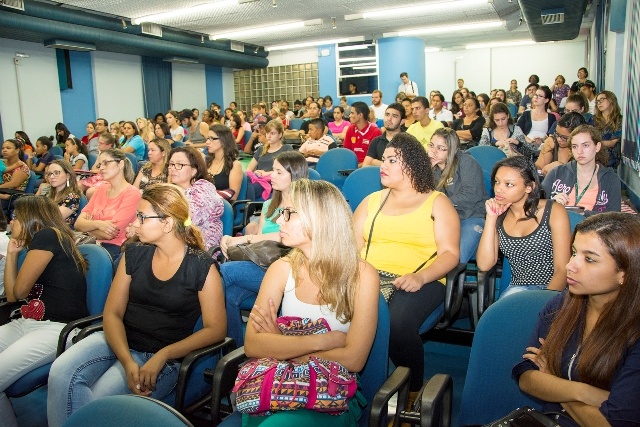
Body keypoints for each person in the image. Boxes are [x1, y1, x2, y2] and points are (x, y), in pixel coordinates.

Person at [47, 184, 227, 427]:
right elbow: (113, 313)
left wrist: (165, 354)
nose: (135, 223)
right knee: (61, 372)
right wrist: (126, 361)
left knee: (98, 402)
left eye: (142, 217)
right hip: (117, 340)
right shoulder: (134, 254)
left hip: (158, 355)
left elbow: (215, 329)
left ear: (167, 223)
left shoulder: (202, 266)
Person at [240, 179, 377, 426]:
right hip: (278, 384)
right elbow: (252, 344)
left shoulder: (363, 274)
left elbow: (354, 359)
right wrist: (322, 341)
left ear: (319, 219)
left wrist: (282, 345)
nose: (279, 220)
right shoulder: (280, 269)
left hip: (332, 393)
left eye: (288, 214)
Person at [353, 134, 460, 408]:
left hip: (420, 280)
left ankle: (411, 392)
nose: (382, 165)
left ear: (411, 165)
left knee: (397, 322)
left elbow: (450, 254)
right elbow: (352, 246)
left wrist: (421, 277)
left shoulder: (437, 202)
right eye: (383, 159)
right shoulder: (372, 201)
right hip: (368, 275)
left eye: (391, 160)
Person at [513, 212, 640, 427]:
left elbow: (611, 424)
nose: (570, 265)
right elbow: (526, 376)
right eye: (574, 253)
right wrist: (585, 393)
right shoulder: (562, 305)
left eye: (589, 259)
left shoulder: (635, 331)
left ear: (624, 274)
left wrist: (554, 381)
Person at [0, 196, 88, 427]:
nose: (12, 222)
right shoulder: (41, 241)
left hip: (56, 329)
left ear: (31, 218)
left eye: (16, 217)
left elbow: (18, 292)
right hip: (27, 323)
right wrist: (12, 254)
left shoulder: (48, 236)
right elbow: (12, 297)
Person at [220, 152, 308, 346]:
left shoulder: (304, 205)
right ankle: (233, 352)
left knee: (223, 272)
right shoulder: (269, 204)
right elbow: (260, 246)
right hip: (263, 266)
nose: (271, 176)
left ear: (295, 175)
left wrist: (244, 238)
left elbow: (284, 239)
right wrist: (239, 241)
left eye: (278, 172)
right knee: (230, 295)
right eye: (272, 171)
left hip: (289, 270)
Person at [476, 156, 571, 299]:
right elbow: (484, 264)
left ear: (529, 187)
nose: (499, 189)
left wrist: (540, 303)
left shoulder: (553, 211)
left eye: (508, 184)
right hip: (518, 289)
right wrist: (491, 218)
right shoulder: (499, 215)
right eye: (497, 182)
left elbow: (562, 270)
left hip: (554, 290)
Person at [428, 128, 487, 263]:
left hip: (470, 217)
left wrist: (441, 205)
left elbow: (472, 194)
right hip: (444, 220)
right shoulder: (432, 168)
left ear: (452, 150)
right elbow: (422, 197)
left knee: (453, 259)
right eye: (431, 145)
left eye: (441, 148)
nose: (433, 151)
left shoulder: (466, 162)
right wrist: (426, 170)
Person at [74, 148, 140, 260]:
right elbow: (78, 224)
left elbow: (110, 234)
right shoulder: (101, 189)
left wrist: (89, 224)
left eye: (106, 163)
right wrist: (99, 224)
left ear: (120, 164)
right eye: (100, 165)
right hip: (91, 242)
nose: (101, 168)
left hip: (112, 248)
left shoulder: (132, 193)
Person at [542, 125, 621, 215]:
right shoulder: (557, 173)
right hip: (558, 225)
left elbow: (615, 216)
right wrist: (551, 203)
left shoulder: (610, 178)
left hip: (593, 227)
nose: (580, 151)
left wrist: (584, 214)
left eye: (585, 145)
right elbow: (535, 204)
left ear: (597, 147)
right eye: (575, 146)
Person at [167, 147, 224, 250]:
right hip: (176, 243)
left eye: (180, 165)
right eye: (171, 164)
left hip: (200, 248)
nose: (173, 168)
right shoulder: (173, 191)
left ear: (193, 171)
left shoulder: (204, 189)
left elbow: (188, 221)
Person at [206, 124, 243, 201]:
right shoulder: (206, 161)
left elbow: (233, 196)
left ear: (224, 140)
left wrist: (207, 194)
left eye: (212, 138)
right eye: (207, 138)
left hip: (222, 207)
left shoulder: (235, 165)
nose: (207, 142)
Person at [78, 133, 116, 199]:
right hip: (97, 177)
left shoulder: (113, 156)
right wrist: (99, 156)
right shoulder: (101, 154)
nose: (98, 145)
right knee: (78, 185)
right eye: (98, 143)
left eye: (101, 143)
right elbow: (94, 168)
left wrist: (96, 171)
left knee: (90, 192)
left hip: (107, 179)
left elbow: (106, 171)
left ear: (109, 145)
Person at [45, 160, 82, 225]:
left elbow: (53, 219)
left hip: (60, 232)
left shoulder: (72, 197)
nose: (51, 177)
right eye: (49, 174)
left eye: (56, 173)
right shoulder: (48, 193)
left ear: (68, 176)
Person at [593, 90, 623, 169]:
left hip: (611, 161)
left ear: (611, 100)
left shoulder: (620, 120)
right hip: (594, 159)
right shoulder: (593, 120)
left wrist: (594, 142)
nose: (599, 103)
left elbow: (612, 143)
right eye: (597, 101)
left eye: (602, 100)